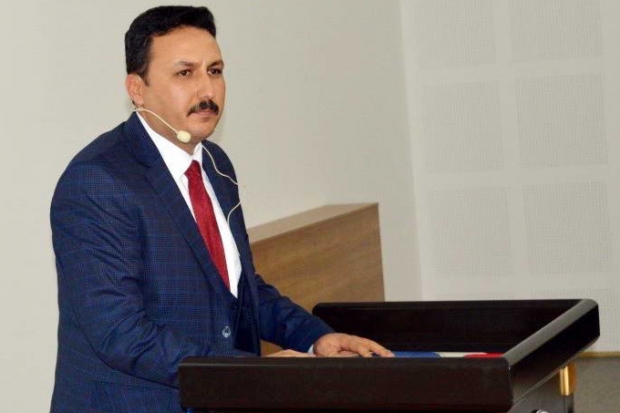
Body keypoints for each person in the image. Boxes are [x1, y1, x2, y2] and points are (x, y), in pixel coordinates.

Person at [49, 5, 393, 413]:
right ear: (137, 89)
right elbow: (120, 333)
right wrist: (247, 372)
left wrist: (315, 337)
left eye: (215, 71)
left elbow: (242, 290)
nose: (207, 90)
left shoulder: (215, 164)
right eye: (185, 73)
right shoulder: (97, 181)